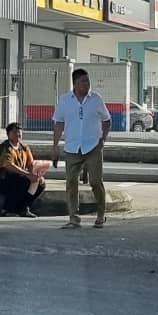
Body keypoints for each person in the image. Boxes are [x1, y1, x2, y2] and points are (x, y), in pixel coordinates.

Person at [52, 68, 111, 229]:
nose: (87, 84)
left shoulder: (96, 99)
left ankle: (100, 215)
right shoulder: (65, 100)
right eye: (83, 81)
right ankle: (73, 218)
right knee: (71, 183)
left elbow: (107, 120)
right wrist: (55, 147)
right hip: (72, 147)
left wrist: (102, 140)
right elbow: (58, 123)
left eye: (88, 80)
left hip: (93, 147)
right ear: (75, 83)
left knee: (95, 182)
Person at [0, 122, 45, 217]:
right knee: (19, 179)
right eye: (14, 132)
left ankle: (23, 208)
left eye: (19, 132)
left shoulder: (24, 147)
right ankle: (7, 209)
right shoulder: (5, 147)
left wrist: (36, 175)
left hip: (19, 176)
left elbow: (31, 164)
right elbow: (8, 165)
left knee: (40, 184)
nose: (18, 134)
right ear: (8, 134)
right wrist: (27, 174)